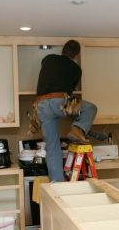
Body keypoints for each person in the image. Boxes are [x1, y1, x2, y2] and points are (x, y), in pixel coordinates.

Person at [36, 40, 97, 182]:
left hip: (41, 106)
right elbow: (69, 93)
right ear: (76, 55)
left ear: (62, 50)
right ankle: (78, 129)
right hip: (59, 102)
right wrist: (78, 121)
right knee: (90, 108)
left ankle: (57, 183)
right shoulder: (76, 69)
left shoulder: (48, 59)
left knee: (52, 147)